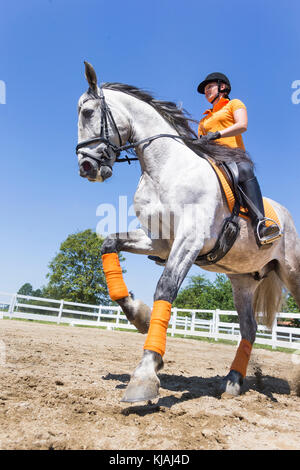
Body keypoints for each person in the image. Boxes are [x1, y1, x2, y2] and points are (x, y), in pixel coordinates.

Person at [197, 72, 281, 245]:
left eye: (209, 87)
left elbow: (242, 125)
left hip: (233, 155)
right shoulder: (204, 118)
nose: (206, 91)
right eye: (205, 89)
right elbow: (200, 141)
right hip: (212, 159)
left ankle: (261, 224)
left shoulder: (234, 104)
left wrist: (217, 134)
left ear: (222, 87)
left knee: (244, 169)